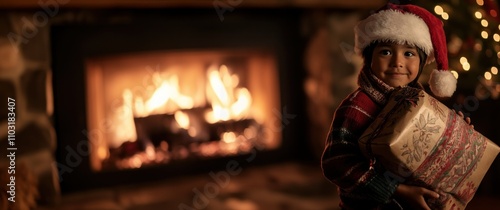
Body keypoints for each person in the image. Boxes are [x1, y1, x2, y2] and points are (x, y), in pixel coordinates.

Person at [321, 3, 465, 210]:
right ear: (369, 58)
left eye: (409, 54)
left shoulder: (423, 105)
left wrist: (457, 132)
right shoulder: (356, 107)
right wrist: (395, 189)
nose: (397, 62)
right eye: (386, 52)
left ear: (422, 63)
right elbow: (336, 162)